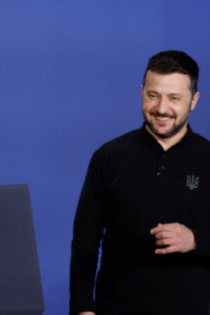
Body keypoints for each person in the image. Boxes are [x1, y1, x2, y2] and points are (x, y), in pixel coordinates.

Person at [70, 50, 210, 315]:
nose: (161, 108)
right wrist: (82, 308)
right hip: (116, 308)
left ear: (194, 101)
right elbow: (85, 241)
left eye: (174, 98)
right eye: (153, 95)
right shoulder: (109, 157)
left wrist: (195, 240)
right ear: (142, 91)